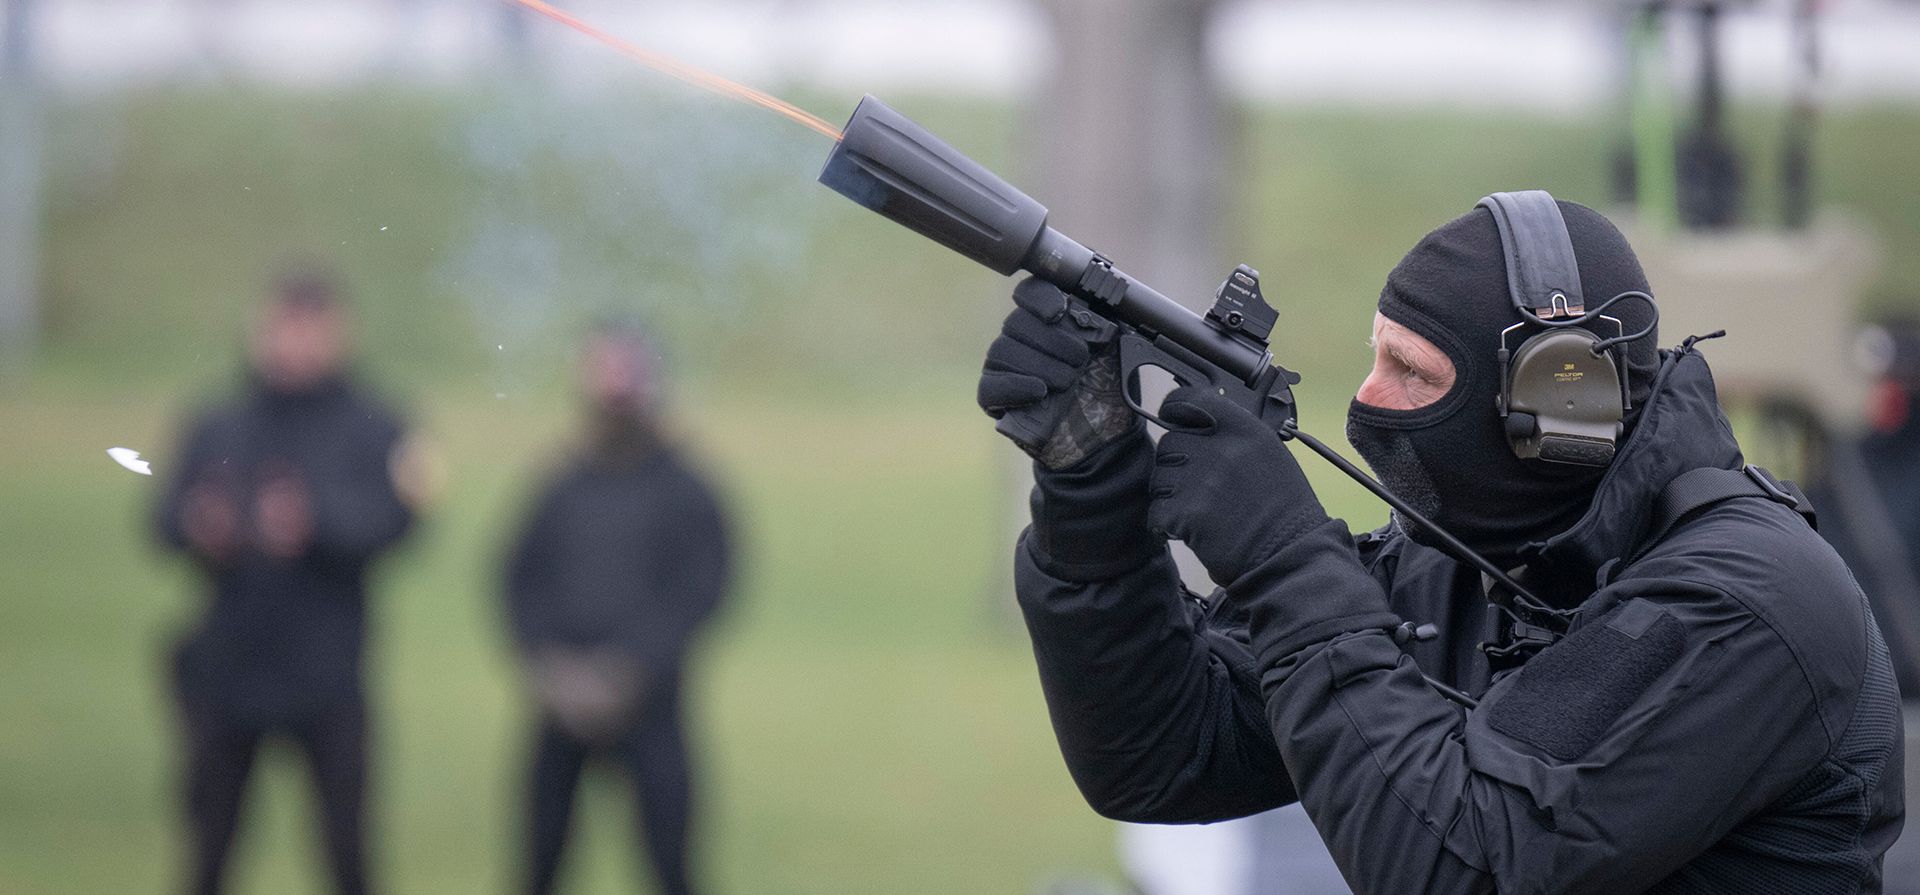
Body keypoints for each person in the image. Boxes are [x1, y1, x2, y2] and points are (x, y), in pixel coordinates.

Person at [975, 193, 1903, 892]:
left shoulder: (1747, 601)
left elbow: (1464, 868)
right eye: (1377, 354)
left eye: (1412, 370)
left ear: (1557, 402)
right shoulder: (1469, 557)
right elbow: (1162, 754)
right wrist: (1089, 485)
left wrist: (1286, 561)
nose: (1368, 399)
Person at [154, 270, 417, 895]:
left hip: (327, 673)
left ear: (337, 333)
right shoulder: (220, 422)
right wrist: (200, 527)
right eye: (281, 326)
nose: (292, 344)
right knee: (209, 845)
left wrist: (314, 523)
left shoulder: (372, 424)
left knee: (345, 850)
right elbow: (163, 517)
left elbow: (398, 519)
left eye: (309, 328)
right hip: (228, 668)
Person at [503, 323, 732, 895]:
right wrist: (547, 665)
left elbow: (704, 589)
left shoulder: (685, 487)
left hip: (650, 700)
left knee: (670, 865)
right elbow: (516, 579)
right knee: (539, 865)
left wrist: (631, 668)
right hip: (560, 701)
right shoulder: (559, 485)